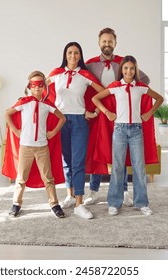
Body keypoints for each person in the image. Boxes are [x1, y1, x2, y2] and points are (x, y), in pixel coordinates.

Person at [84, 27, 151, 207]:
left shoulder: (123, 63)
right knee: (97, 150)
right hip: (100, 113)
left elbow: (143, 79)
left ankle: (123, 192)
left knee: (120, 155)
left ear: (115, 43)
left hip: (119, 114)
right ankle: (94, 190)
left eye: (110, 41)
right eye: (104, 41)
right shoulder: (89, 64)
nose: (107, 44)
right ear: (99, 43)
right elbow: (82, 85)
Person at [92, 55, 163, 216]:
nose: (128, 71)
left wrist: (149, 113)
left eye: (131, 68)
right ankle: (114, 203)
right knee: (117, 167)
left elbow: (159, 98)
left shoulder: (141, 87)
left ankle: (142, 203)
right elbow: (96, 98)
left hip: (136, 130)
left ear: (135, 70)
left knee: (139, 167)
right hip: (119, 130)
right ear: (121, 70)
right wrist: (107, 112)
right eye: (125, 68)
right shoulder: (115, 86)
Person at [46, 42, 104, 219]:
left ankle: (79, 203)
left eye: (76, 53)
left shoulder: (85, 75)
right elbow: (38, 88)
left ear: (80, 56)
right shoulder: (56, 74)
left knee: (78, 162)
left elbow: (103, 92)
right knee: (66, 161)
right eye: (70, 52)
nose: (73, 56)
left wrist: (94, 111)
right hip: (61, 120)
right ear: (65, 55)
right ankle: (70, 196)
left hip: (79, 121)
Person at [5, 71, 66, 218]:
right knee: (21, 178)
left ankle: (54, 204)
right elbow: (7, 113)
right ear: (29, 86)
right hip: (25, 147)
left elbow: (62, 118)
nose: (37, 88)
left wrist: (53, 132)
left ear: (44, 86)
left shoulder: (47, 105)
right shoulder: (24, 102)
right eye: (34, 85)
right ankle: (16, 204)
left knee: (48, 178)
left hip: (42, 147)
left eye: (40, 85)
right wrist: (15, 130)